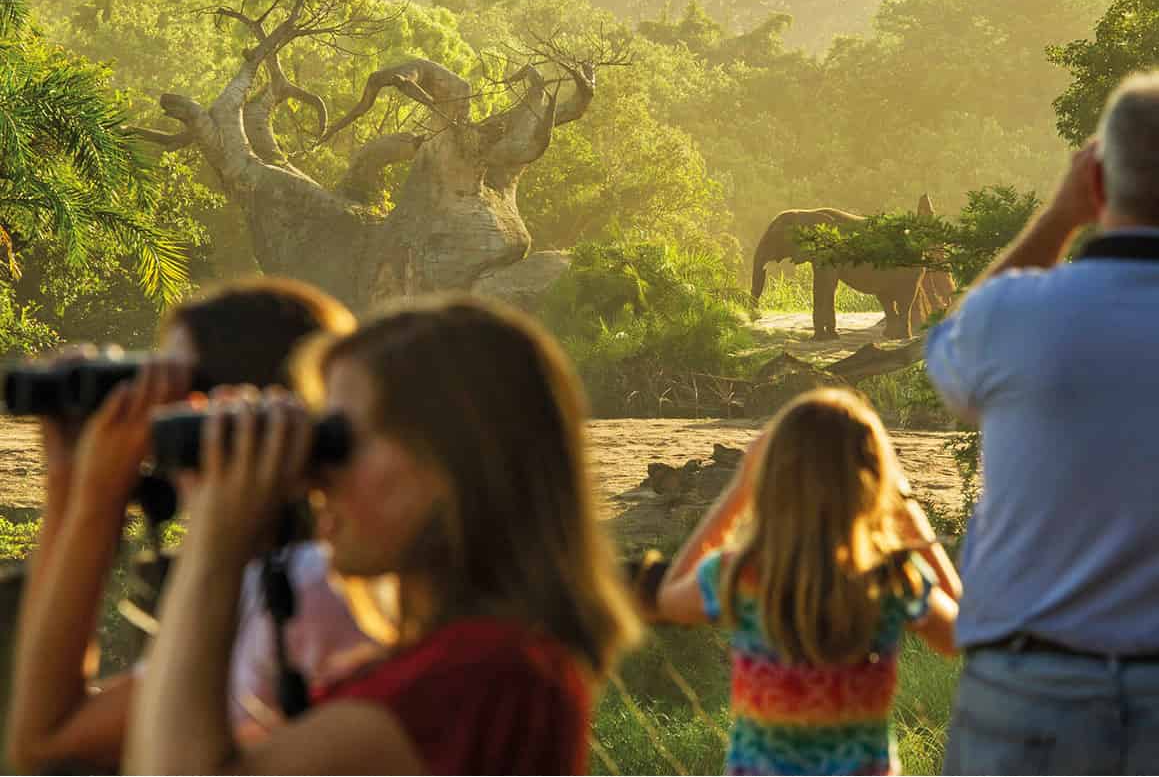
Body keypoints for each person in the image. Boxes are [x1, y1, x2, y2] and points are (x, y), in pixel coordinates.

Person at [123, 294, 643, 775]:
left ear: (455, 465)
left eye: (338, 441)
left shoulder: (481, 676)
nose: (318, 474)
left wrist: (217, 535)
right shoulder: (474, 664)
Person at [5, 277, 367, 773]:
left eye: (178, 393)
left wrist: (97, 497)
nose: (151, 418)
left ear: (246, 407)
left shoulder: (311, 591)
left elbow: (45, 752)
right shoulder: (268, 580)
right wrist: (67, 479)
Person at [926, 71, 1159, 774]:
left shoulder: (1011, 315)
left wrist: (1057, 217)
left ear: (1093, 176)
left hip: (1028, 690)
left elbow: (949, 371)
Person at [654, 388, 960, 776]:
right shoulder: (890, 577)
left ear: (773, 480)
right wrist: (906, 504)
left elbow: (668, 596)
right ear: (872, 480)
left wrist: (738, 490)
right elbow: (959, 634)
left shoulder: (744, 572)